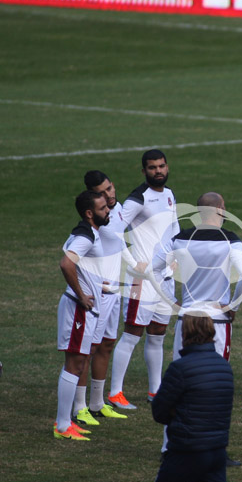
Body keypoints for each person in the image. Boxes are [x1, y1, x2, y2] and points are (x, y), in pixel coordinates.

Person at [153, 192, 242, 467]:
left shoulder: (181, 239)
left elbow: (155, 267)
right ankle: (215, 449)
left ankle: (168, 447)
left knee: (178, 383)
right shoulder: (231, 241)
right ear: (221, 209)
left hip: (187, 319)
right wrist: (233, 306)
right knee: (216, 387)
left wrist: (172, 302)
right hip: (216, 323)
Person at [142, 314, 234, 482]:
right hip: (217, 452)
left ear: (185, 334)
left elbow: (159, 412)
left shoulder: (180, 369)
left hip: (186, 452)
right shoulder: (224, 367)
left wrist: (178, 415)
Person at [108, 150, 179, 409]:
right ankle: (115, 393)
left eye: (161, 166)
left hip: (165, 278)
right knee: (132, 334)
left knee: (158, 335)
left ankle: (155, 391)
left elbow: (174, 228)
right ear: (144, 171)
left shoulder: (170, 195)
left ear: (167, 167)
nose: (158, 171)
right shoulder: (137, 199)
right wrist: (131, 262)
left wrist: (175, 255)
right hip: (142, 281)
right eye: (152, 167)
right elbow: (114, 230)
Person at [72, 171, 132, 427]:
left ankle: (97, 403)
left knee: (107, 344)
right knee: (88, 350)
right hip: (98, 295)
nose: (110, 194)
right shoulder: (93, 221)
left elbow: (119, 246)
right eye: (103, 192)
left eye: (110, 188)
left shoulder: (116, 211)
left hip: (115, 291)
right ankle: (79, 406)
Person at [54, 190, 110, 440]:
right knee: (75, 364)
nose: (108, 210)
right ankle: (62, 425)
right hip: (79, 310)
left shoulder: (86, 232)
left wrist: (99, 287)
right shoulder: (86, 236)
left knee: (77, 364)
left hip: (84, 310)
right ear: (90, 213)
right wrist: (81, 295)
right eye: (102, 208)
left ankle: (65, 422)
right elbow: (66, 264)